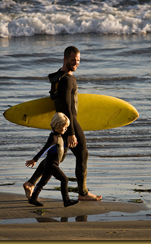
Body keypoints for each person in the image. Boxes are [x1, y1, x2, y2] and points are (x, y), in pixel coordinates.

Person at [23, 46, 102, 201]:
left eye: (78, 60)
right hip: (68, 122)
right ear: (65, 59)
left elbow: (55, 99)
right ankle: (83, 193)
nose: (76, 63)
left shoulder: (59, 77)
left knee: (57, 157)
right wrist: (71, 132)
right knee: (83, 153)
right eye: (73, 60)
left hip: (61, 123)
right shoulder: (66, 80)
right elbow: (66, 106)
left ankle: (30, 183)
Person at [26, 112, 79, 207]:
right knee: (64, 180)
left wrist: (69, 145)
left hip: (51, 164)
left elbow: (59, 147)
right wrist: (35, 160)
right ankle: (66, 201)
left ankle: (33, 198)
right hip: (51, 164)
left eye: (67, 126)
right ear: (57, 125)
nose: (66, 129)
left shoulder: (59, 136)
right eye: (64, 126)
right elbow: (44, 149)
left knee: (43, 182)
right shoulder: (53, 138)